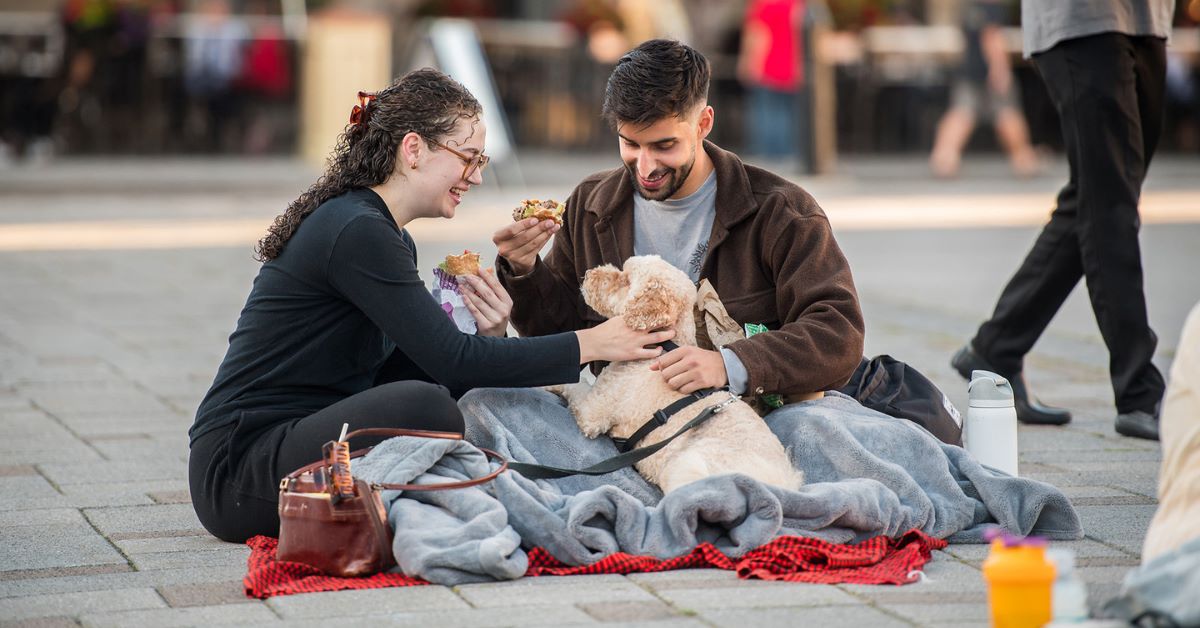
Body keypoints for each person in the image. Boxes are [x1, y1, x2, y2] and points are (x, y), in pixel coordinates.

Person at [188, 69, 674, 543]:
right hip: (239, 470)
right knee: (430, 408)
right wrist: (592, 343)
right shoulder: (356, 230)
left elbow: (420, 369)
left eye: (481, 161)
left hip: (304, 442)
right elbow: (446, 364)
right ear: (414, 149)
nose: (477, 177)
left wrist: (490, 336)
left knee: (435, 400)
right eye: (468, 157)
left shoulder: (386, 233)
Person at [492, 39, 864, 407]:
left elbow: (838, 332)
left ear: (703, 123)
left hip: (755, 418)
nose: (646, 166)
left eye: (664, 145)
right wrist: (524, 270)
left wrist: (730, 364)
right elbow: (557, 338)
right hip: (625, 418)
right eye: (631, 144)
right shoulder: (589, 204)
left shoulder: (782, 211)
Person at [951, 0, 1172, 440]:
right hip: (1082, 21)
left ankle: (996, 346)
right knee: (1109, 204)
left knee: (1097, 197)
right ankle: (1137, 391)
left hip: (1149, 19)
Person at [928, 0, 1038, 178]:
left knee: (961, 112)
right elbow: (992, 38)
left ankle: (944, 157)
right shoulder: (991, 8)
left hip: (969, 69)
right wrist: (1001, 70)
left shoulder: (970, 8)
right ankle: (1023, 158)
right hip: (989, 70)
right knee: (1007, 112)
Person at [738, 0, 806, 163]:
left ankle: (769, 157)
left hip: (768, 68)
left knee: (767, 114)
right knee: (789, 114)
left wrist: (748, 63)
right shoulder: (797, 5)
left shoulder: (764, 4)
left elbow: (758, 35)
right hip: (791, 69)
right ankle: (788, 153)